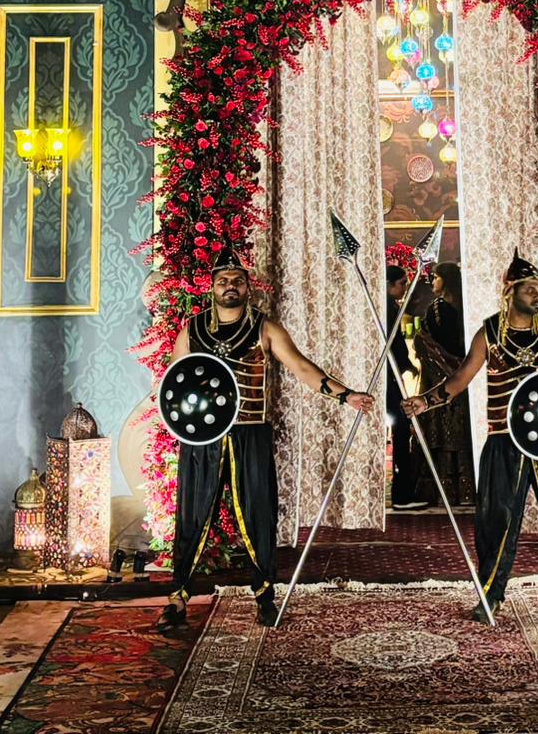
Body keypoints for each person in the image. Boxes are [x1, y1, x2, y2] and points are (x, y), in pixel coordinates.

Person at [156, 243, 374, 630]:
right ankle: (177, 598)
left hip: (250, 433)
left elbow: (302, 368)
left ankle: (264, 596)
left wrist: (346, 396)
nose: (230, 286)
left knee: (259, 512)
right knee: (192, 515)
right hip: (202, 440)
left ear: (247, 286)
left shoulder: (265, 329)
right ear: (212, 287)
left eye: (237, 280)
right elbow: (175, 382)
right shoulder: (192, 331)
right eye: (223, 280)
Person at [403, 249, 538, 623]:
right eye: (529, 288)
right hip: (504, 439)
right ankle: (491, 594)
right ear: (510, 292)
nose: (537, 294)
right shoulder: (489, 334)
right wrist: (424, 402)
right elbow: (460, 379)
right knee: (496, 519)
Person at [413, 262, 475, 506]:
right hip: (461, 380)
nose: (432, 281)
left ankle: (443, 490)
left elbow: (430, 342)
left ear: (446, 280)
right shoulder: (462, 306)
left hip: (442, 383)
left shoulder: (437, 309)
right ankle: (465, 489)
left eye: (436, 277)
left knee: (446, 430)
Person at [385, 264, 427, 511]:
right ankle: (401, 494)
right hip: (389, 380)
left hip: (393, 377)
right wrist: (405, 364)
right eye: (401, 284)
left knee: (402, 430)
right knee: (401, 431)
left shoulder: (392, 307)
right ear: (389, 285)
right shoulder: (387, 308)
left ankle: (402, 492)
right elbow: (394, 343)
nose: (404, 289)